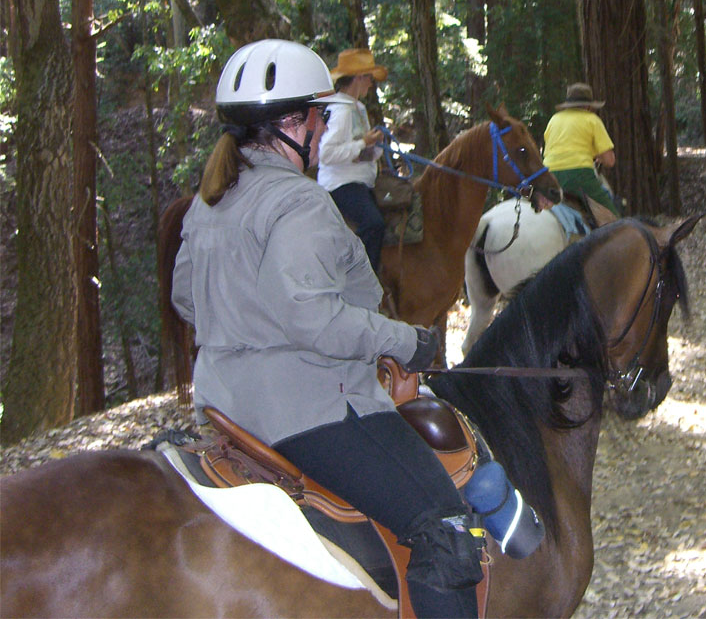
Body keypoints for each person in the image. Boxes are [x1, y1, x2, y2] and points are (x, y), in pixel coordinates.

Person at [172, 39, 481, 618]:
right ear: (293, 124)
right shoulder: (300, 203)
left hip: (222, 407)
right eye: (318, 115)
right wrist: (406, 340)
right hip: (308, 411)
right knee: (444, 528)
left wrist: (254, 319)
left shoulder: (208, 202)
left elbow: (187, 297)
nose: (321, 126)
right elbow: (314, 319)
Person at [318, 48, 388, 274]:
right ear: (358, 78)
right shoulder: (343, 110)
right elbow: (326, 153)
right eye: (368, 77)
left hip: (359, 182)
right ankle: (360, 281)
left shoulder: (357, 108)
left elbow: (357, 154)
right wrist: (362, 143)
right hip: (340, 185)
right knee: (374, 223)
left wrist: (374, 146)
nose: (370, 83)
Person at [542, 82, 621, 216]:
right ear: (588, 106)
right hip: (579, 175)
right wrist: (597, 155)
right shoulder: (592, 120)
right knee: (615, 220)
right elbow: (609, 161)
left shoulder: (553, 120)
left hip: (549, 175)